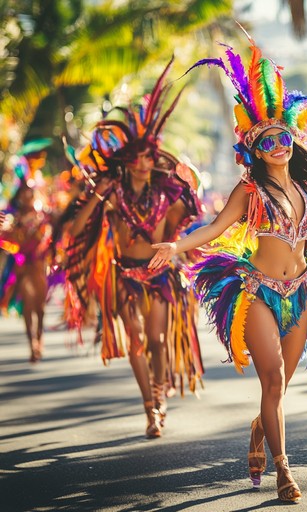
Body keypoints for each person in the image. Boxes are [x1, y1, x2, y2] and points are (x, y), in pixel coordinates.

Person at [150, 37, 307, 502]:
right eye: (267, 141)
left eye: (283, 137)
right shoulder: (247, 193)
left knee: (280, 388)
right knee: (272, 380)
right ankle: (283, 469)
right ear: (254, 148)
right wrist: (175, 246)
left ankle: (260, 428)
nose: (278, 145)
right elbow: (213, 229)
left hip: (302, 293)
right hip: (258, 295)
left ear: (294, 140)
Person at [64, 58, 204, 438]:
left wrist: (185, 179)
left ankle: (160, 395)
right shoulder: (113, 193)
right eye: (136, 158)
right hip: (124, 274)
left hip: (160, 274)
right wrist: (97, 194)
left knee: (157, 340)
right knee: (136, 341)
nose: (143, 164)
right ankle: (150, 408)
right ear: (125, 161)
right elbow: (77, 229)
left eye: (148, 157)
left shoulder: (166, 191)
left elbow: (193, 212)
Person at [0, 139, 53, 362]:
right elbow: (5, 238)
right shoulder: (13, 216)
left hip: (39, 261)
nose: (27, 196)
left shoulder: (42, 213)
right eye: (24, 194)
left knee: (39, 307)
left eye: (30, 193)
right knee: (27, 307)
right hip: (22, 262)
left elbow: (50, 234)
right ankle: (32, 343)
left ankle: (39, 339)